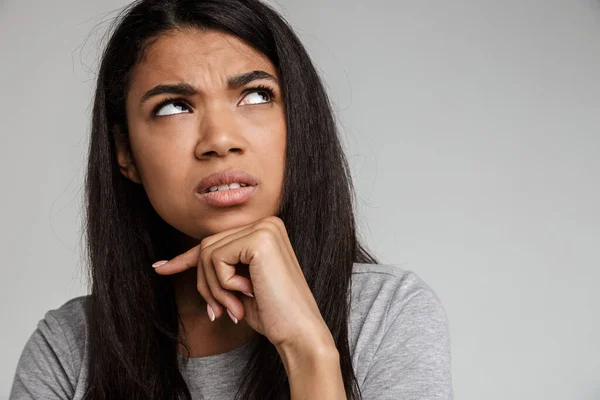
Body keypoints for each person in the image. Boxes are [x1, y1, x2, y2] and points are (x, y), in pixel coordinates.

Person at [9, 0, 454, 399]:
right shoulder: (69, 345)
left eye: (256, 95)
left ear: (298, 122)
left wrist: (307, 349)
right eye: (173, 106)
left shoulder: (385, 314)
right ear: (125, 153)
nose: (220, 140)